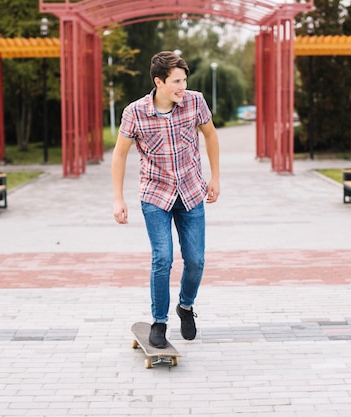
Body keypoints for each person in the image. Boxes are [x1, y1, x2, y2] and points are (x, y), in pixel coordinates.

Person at [111, 51, 221, 348]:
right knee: (163, 258)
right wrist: (118, 199)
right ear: (159, 82)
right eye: (176, 81)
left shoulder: (195, 101)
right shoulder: (134, 112)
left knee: (196, 260)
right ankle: (159, 322)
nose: (182, 86)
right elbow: (119, 154)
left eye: (184, 80)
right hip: (155, 194)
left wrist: (215, 177)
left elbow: (210, 135)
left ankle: (185, 307)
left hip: (190, 191)